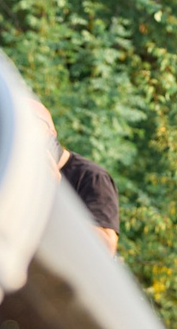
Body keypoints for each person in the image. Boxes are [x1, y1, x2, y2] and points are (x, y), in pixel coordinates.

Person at [40, 103, 120, 252]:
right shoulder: (23, 174)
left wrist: (57, 196)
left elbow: (107, 247)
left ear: (50, 133)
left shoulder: (93, 177)